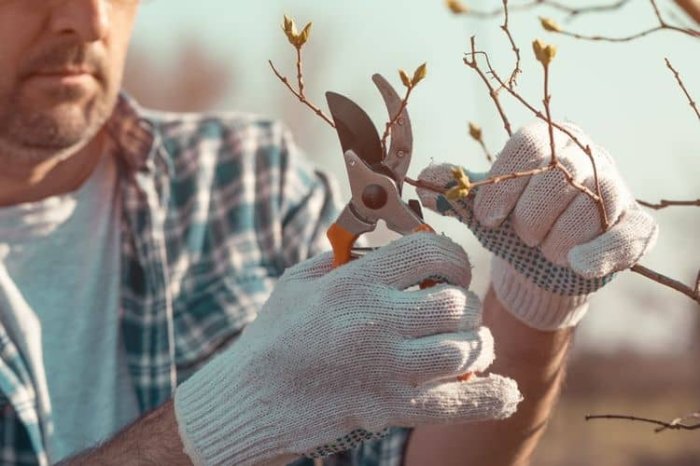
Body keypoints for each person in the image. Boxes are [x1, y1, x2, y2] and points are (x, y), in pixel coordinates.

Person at [0, 1, 657, 466]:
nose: (89, 19)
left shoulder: (246, 176)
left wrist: (537, 300)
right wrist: (205, 433)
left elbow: (421, 452)